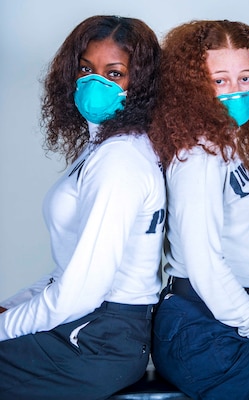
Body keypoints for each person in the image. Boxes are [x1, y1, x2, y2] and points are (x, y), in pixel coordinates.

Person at [0, 15, 165, 399]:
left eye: (115, 73)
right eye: (86, 69)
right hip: (89, 324)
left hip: (100, 337)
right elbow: (70, 269)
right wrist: (12, 307)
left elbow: (79, 294)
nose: (95, 83)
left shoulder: (119, 161)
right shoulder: (103, 150)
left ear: (139, 83)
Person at [149, 20, 249, 399]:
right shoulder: (198, 155)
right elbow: (206, 271)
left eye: (245, 78)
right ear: (193, 88)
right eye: (219, 80)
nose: (235, 91)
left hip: (229, 317)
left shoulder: (226, 151)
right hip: (198, 326)